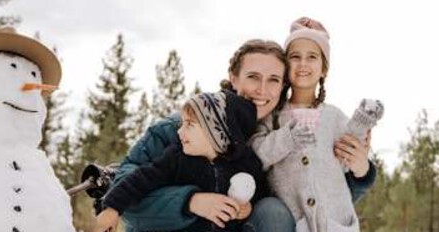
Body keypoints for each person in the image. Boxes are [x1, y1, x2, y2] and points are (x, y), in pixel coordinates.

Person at [111, 39, 376, 232]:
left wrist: (360, 173)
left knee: (273, 210)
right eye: (252, 77)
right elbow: (122, 189)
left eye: (273, 80)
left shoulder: (281, 136)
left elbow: (315, 197)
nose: (262, 90)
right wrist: (190, 201)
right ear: (233, 78)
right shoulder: (183, 128)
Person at [250, 17, 376, 232]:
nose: (303, 64)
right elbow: (256, 154)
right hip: (292, 221)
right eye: (295, 57)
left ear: (323, 69)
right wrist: (287, 139)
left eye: (312, 57)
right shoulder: (272, 116)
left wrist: (360, 164)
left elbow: (353, 160)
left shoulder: (334, 117)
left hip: (336, 221)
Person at [96, 91, 265, 231]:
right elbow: (140, 180)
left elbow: (261, 188)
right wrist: (113, 208)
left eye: (189, 125)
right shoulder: (177, 158)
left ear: (217, 134)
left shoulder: (244, 164)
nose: (179, 132)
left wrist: (248, 206)